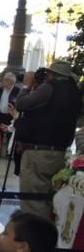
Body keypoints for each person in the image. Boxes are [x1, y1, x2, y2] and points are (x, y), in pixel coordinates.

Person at [12, 59, 83, 219]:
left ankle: (34, 239)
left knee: (32, 201)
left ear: (52, 74)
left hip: (38, 152)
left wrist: (26, 86)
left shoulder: (49, 87)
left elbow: (22, 104)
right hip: (59, 152)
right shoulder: (75, 92)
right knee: (49, 200)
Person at [0, 71, 19, 156]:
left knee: (9, 135)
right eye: (4, 79)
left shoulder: (17, 91)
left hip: (11, 116)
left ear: (12, 81)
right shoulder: (0, 90)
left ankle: (9, 153)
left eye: (6, 80)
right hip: (0, 116)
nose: (3, 81)